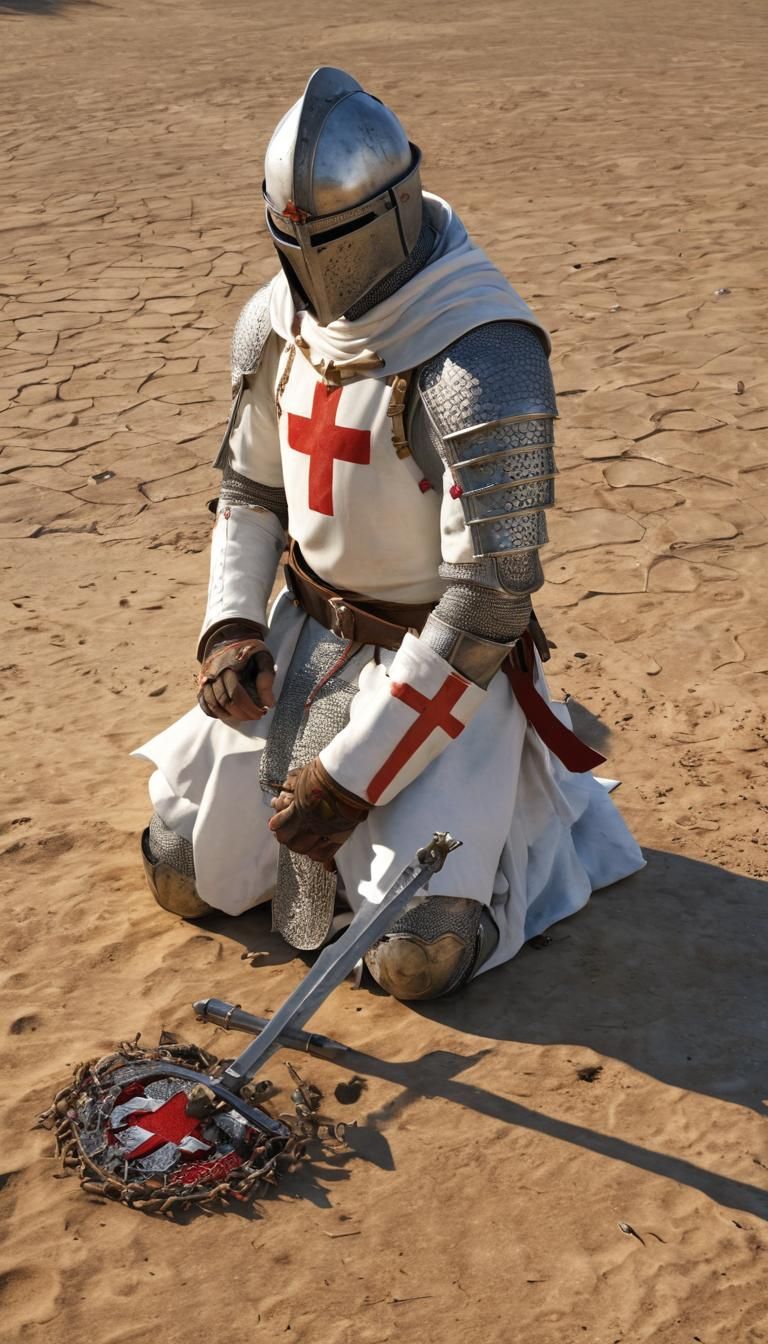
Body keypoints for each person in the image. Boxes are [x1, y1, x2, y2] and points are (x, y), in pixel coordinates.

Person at [134, 67, 644, 1001]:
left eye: (330, 235)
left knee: (415, 957)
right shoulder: (273, 324)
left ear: (397, 204)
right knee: (178, 868)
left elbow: (487, 603)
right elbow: (249, 487)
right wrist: (232, 627)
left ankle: (489, 865)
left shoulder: (480, 354)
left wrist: (352, 777)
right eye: (294, 238)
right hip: (302, 648)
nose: (313, 262)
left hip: (444, 678)